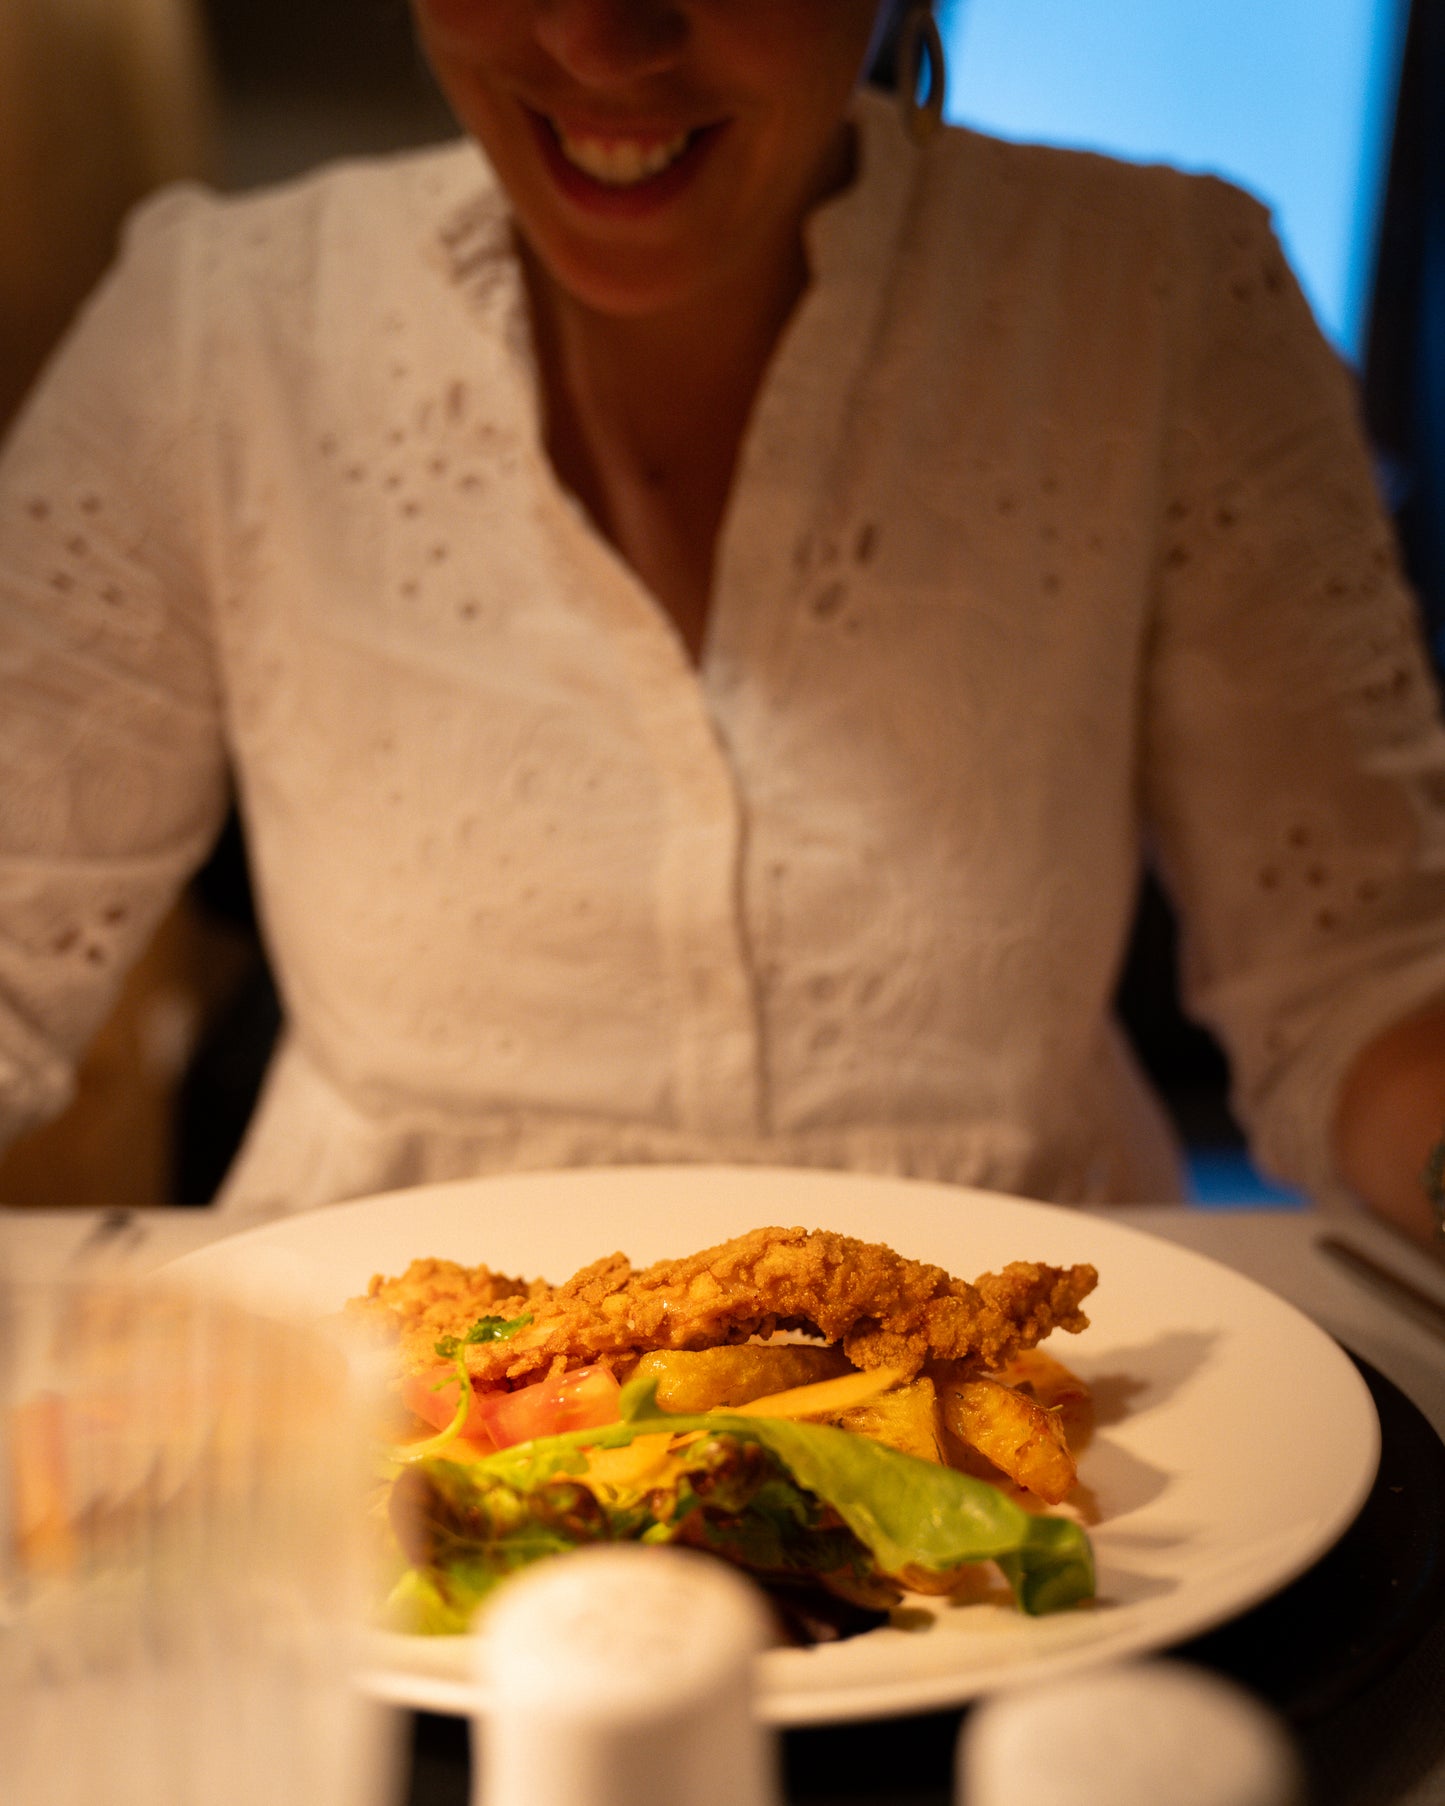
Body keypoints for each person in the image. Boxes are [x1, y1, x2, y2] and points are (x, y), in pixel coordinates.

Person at [2, 0, 1444, 1246]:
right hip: (368, 1445)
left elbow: (1363, 983)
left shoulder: (1164, 300)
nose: (593, 37)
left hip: (1040, 1446)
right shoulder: (216, 328)